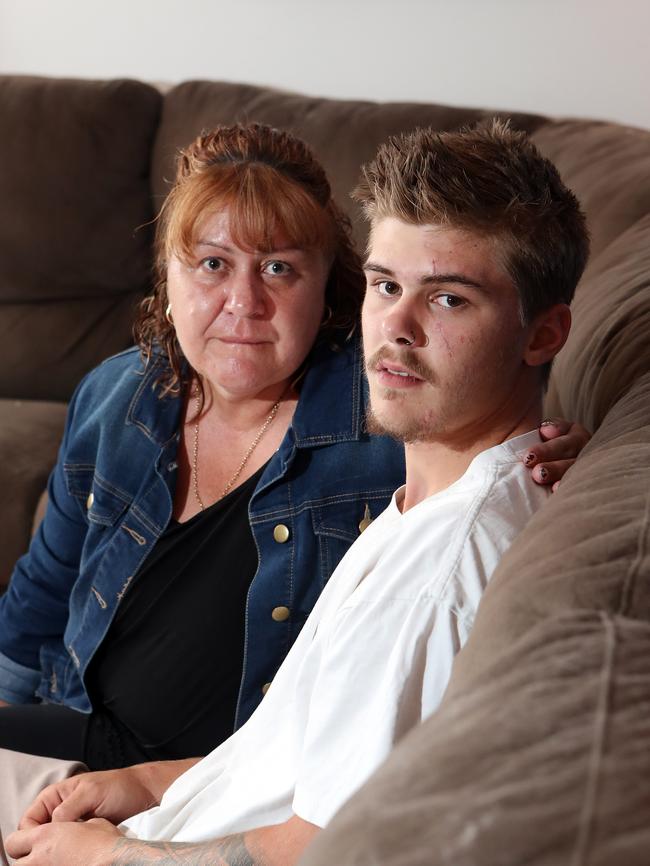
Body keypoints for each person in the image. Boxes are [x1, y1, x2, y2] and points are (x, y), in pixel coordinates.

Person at [2, 120, 590, 866]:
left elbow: (317, 845)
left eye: (278, 269)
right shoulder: (120, 394)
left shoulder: (383, 425)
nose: (243, 303)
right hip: (151, 779)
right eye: (210, 264)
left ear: (324, 286)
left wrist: (98, 856)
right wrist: (139, 785)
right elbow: (43, 592)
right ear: (168, 276)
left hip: (177, 823)